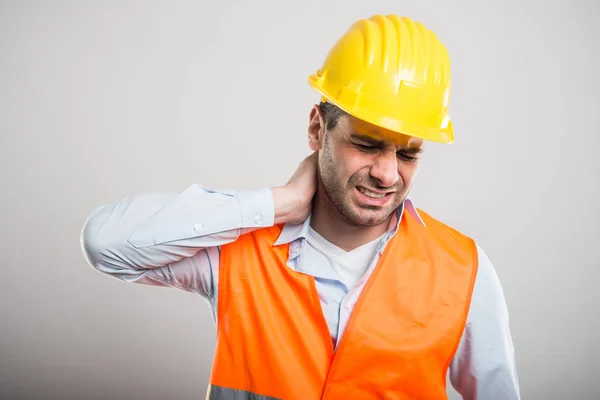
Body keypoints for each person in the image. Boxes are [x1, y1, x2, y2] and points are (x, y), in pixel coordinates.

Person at [81, 14, 521, 400]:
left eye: (408, 154)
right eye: (366, 144)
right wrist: (280, 202)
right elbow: (106, 243)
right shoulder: (238, 250)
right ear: (317, 128)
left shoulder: (464, 270)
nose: (387, 174)